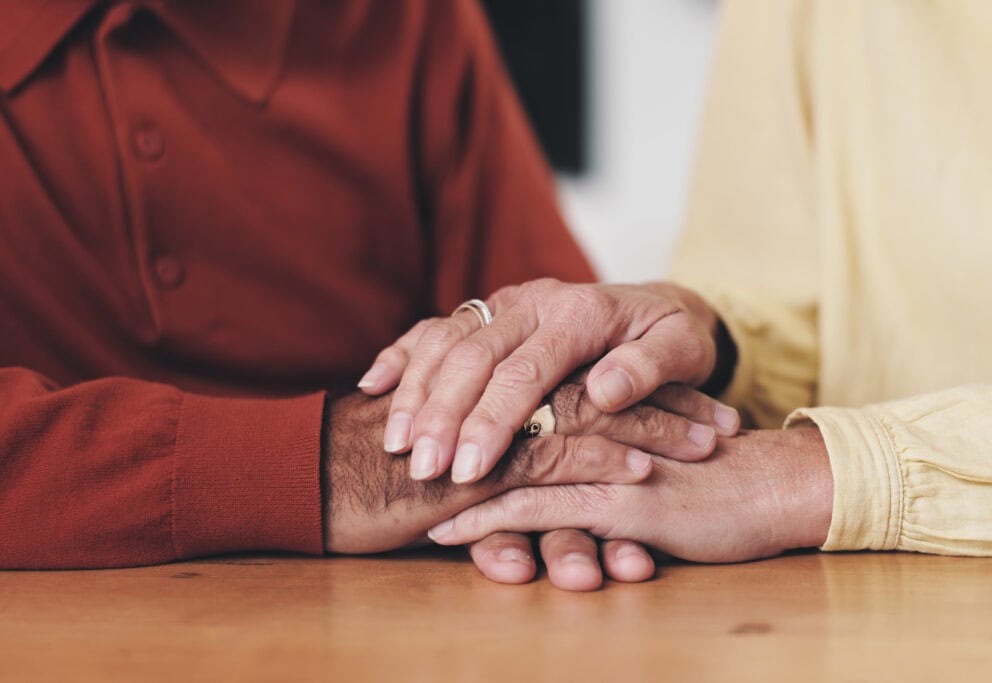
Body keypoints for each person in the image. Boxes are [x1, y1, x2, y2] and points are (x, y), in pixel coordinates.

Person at [0, 0, 742, 589]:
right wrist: (326, 468)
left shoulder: (406, 17)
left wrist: (566, 470)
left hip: (417, 620)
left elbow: (554, 357)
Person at [377, 0, 992, 561]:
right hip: (837, 612)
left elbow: (796, 483)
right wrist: (693, 339)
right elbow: (772, 301)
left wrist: (815, 478)